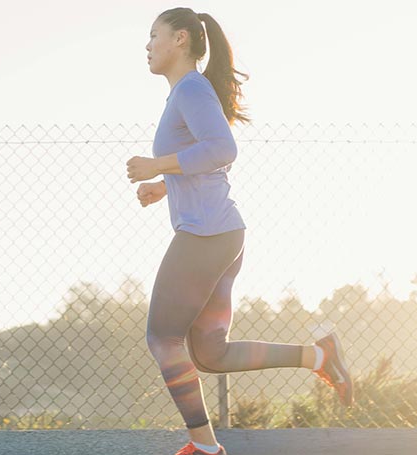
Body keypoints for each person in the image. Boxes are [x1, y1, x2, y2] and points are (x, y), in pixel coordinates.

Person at [126, 7, 354, 455]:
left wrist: (158, 164)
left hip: (207, 234)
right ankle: (320, 356)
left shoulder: (191, 88)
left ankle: (205, 446)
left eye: (154, 35)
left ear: (181, 41)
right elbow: (204, 163)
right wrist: (163, 184)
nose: (147, 45)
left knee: (163, 337)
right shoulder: (185, 93)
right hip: (222, 233)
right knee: (210, 354)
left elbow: (222, 149)